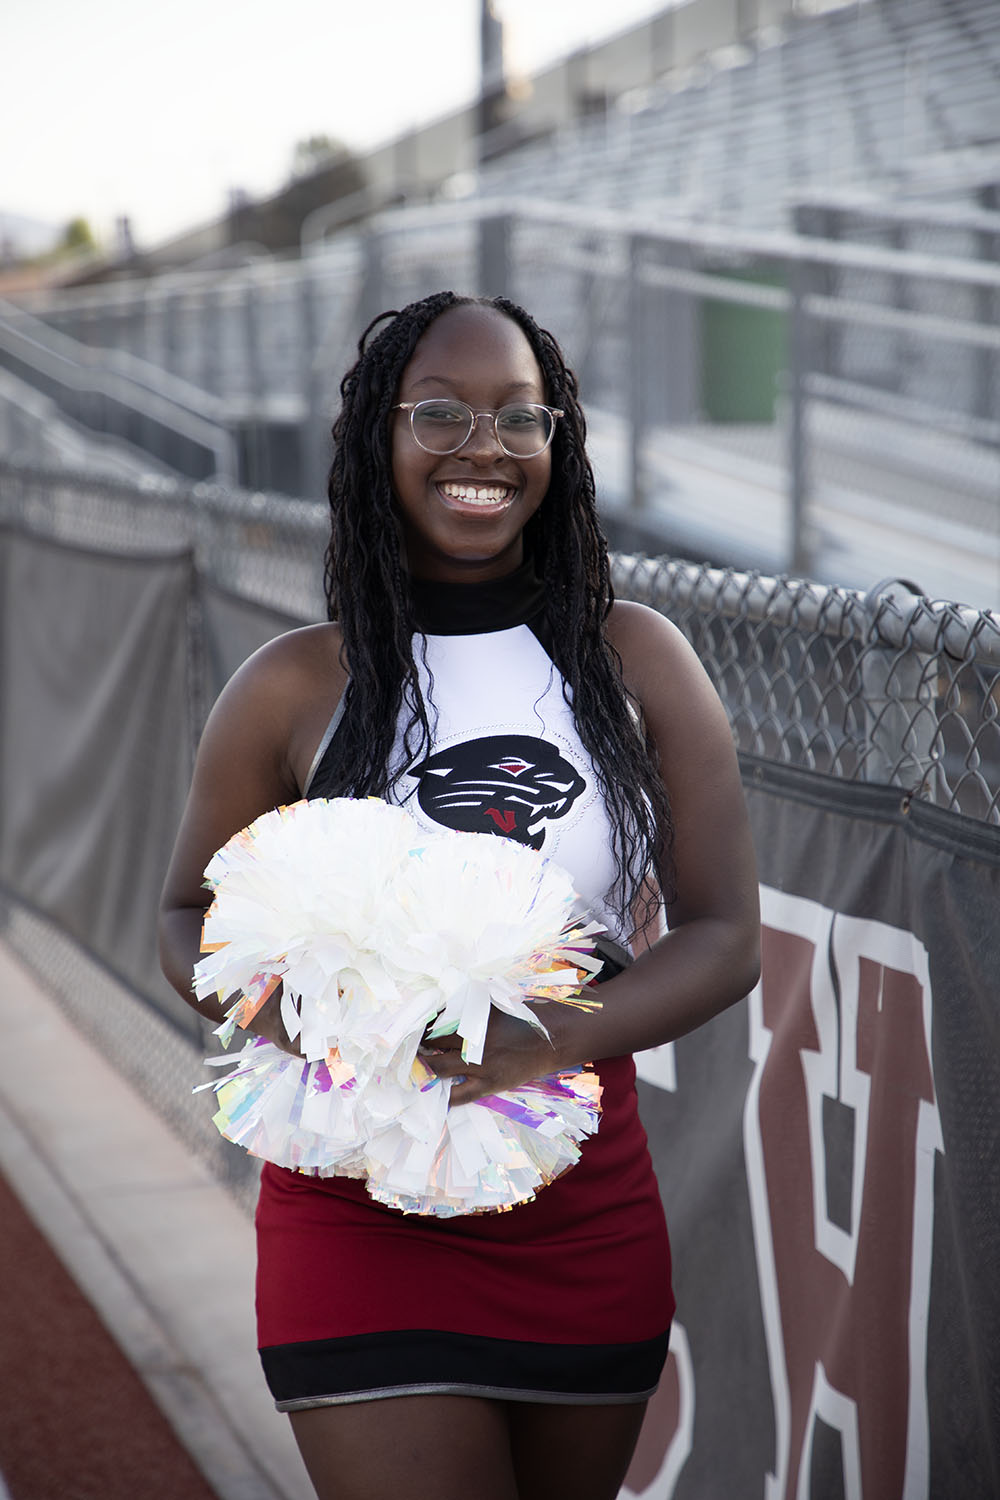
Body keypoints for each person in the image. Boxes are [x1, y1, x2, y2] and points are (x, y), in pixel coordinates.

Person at [159, 291, 760, 1500]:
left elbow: (727, 936)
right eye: (437, 414)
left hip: (578, 1199)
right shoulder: (291, 686)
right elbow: (185, 917)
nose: (481, 447)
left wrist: (540, 1043)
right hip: (355, 1202)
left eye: (517, 419)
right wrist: (299, 1019)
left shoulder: (635, 659)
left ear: (556, 447)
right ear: (377, 440)